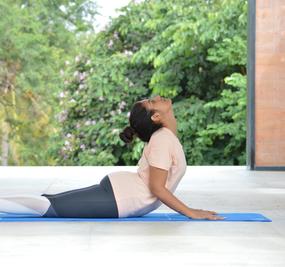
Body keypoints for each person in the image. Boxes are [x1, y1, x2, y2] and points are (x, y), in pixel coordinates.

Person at [0, 95, 224, 220]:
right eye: (152, 101)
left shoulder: (165, 137)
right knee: (51, 207)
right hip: (121, 197)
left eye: (151, 99)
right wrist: (190, 212)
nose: (156, 97)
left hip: (120, 194)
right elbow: (157, 187)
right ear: (156, 116)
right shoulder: (163, 139)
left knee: (51, 201)